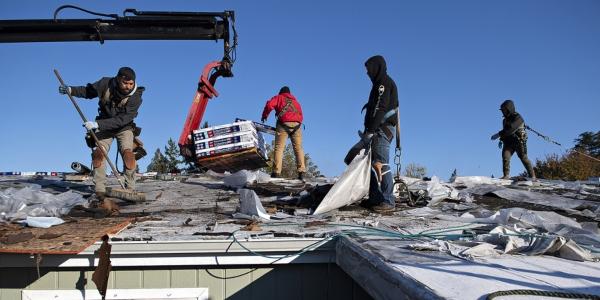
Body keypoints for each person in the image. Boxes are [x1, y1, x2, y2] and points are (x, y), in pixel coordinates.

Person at [59, 67, 144, 200]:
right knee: (99, 153)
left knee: (128, 154)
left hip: (124, 127)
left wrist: (98, 125)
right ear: (117, 79)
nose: (128, 86)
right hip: (104, 124)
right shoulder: (105, 84)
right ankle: (100, 190)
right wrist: (71, 90)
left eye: (131, 84)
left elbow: (123, 119)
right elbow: (88, 91)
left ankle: (130, 189)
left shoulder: (136, 97)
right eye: (125, 83)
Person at [358, 55, 399, 212]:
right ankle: (375, 198)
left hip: (383, 129)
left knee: (382, 164)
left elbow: (380, 108)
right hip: (377, 129)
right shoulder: (379, 84)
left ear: (376, 68)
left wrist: (371, 130)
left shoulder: (383, 84)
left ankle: (388, 201)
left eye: (368, 69)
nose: (367, 73)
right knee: (371, 164)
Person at [261, 86, 306, 180]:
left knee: (279, 148)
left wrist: (265, 115)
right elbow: (301, 115)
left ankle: (276, 172)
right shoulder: (296, 102)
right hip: (297, 126)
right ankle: (302, 172)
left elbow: (269, 105)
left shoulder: (279, 97)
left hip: (283, 124)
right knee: (298, 148)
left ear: (280, 92)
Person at [491, 99, 536, 180]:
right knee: (505, 156)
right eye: (502, 110)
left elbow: (510, 129)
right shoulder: (505, 120)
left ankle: (532, 176)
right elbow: (506, 132)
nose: (503, 112)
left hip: (519, 141)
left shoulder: (518, 117)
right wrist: (501, 139)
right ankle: (506, 175)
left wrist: (498, 134)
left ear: (509, 109)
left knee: (523, 158)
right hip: (509, 142)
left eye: (504, 110)